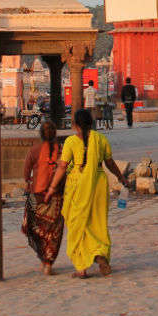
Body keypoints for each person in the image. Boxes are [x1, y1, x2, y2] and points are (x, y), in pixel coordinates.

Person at [45, 108, 127, 278]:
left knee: (77, 225)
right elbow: (109, 163)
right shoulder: (101, 139)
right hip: (98, 184)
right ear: (92, 124)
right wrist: (121, 178)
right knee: (97, 223)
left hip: (78, 186)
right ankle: (99, 254)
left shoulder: (70, 142)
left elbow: (62, 166)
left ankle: (81, 267)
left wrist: (52, 187)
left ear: (75, 125)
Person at [21, 120, 64, 275]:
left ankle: (42, 258)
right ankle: (48, 262)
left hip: (37, 195)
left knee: (35, 227)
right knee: (54, 231)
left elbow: (26, 172)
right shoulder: (61, 149)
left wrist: (28, 181)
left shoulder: (34, 150)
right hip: (56, 195)